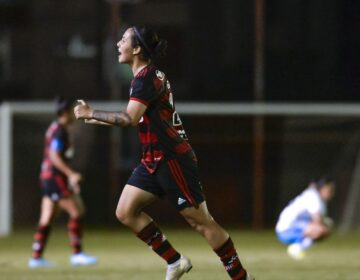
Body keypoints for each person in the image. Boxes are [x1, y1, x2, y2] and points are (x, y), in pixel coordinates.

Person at [74, 26, 254, 280]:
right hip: (153, 160)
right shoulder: (145, 76)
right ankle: (176, 261)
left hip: (172, 160)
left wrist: (92, 113)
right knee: (125, 211)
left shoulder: (146, 78)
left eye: (123, 40)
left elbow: (130, 119)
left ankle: (242, 278)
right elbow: (138, 118)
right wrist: (98, 120)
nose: (117, 44)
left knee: (201, 222)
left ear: (136, 49)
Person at [28, 97, 97, 268]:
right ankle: (77, 254)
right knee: (77, 210)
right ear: (65, 112)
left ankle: (36, 257)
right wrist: (71, 174)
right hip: (54, 177)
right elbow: (54, 156)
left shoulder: (55, 128)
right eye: (72, 110)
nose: (75, 113)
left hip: (47, 177)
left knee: (47, 217)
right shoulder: (60, 131)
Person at [275, 177, 335, 260]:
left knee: (324, 228)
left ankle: (297, 248)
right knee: (322, 229)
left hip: (295, 228)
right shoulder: (313, 196)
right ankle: (296, 248)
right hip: (286, 230)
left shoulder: (320, 200)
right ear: (321, 188)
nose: (331, 193)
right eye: (329, 189)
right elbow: (317, 220)